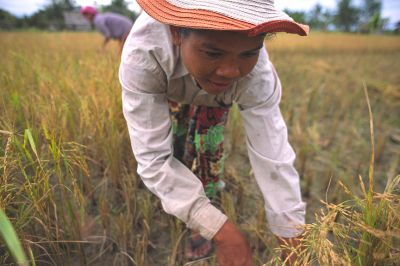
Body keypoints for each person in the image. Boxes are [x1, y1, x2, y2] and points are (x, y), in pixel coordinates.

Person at [119, 0, 309, 265]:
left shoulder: (257, 77)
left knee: (208, 156)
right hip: (167, 88)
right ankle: (198, 218)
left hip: (215, 100)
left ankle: (203, 220)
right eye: (212, 53)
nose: (231, 71)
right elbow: (153, 159)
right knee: (175, 149)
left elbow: (272, 155)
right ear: (176, 32)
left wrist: (290, 231)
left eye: (247, 55)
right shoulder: (144, 54)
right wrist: (224, 234)